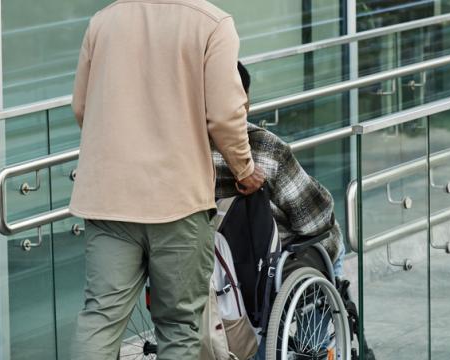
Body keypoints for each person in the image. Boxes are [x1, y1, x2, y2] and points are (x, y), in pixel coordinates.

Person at [68, 1, 264, 359]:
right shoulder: (212, 23)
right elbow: (224, 115)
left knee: (100, 318)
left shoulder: (104, 22)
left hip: (110, 198)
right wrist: (244, 169)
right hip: (179, 200)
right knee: (177, 326)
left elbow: (82, 107)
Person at [213, 62, 346, 278]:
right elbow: (314, 220)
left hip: (208, 265)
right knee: (333, 240)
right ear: (244, 101)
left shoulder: (183, 149)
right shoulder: (264, 147)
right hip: (266, 269)